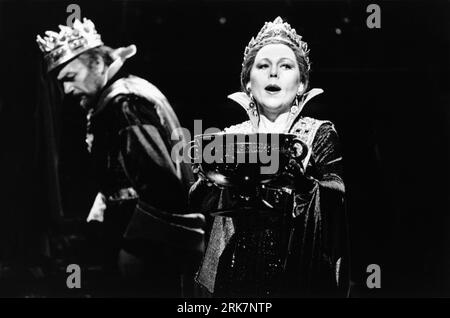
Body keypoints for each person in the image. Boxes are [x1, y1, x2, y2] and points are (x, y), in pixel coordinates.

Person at [36, 18, 205, 296]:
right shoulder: (126, 93)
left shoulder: (125, 102)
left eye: (70, 77)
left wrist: (137, 249)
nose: (66, 90)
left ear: (98, 64)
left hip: (151, 249)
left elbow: (159, 186)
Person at [191, 17, 350, 297]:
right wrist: (209, 176)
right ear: (248, 84)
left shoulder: (318, 133)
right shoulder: (231, 137)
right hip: (238, 270)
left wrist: (301, 183)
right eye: (263, 66)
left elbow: (337, 192)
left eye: (286, 66)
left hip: (301, 266)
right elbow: (198, 200)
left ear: (301, 84)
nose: (273, 74)